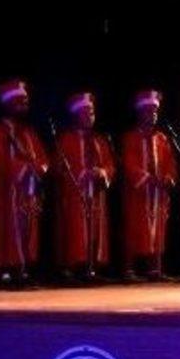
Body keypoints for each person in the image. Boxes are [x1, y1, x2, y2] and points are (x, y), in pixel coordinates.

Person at [0, 79, 49, 287]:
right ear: (7, 103)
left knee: (27, 230)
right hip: (6, 191)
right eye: (19, 101)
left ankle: (23, 268)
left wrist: (39, 168)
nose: (24, 105)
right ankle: (4, 271)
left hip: (28, 192)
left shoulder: (29, 132)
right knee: (5, 231)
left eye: (25, 101)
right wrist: (24, 168)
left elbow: (43, 159)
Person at [54, 92, 115, 283]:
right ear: (76, 115)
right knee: (75, 230)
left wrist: (102, 172)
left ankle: (92, 267)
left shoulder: (100, 140)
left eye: (92, 112)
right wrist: (81, 174)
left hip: (96, 192)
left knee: (96, 228)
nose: (90, 116)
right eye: (85, 112)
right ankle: (74, 267)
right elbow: (58, 167)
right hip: (75, 193)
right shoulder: (66, 139)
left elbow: (110, 165)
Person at [121, 89, 177, 282]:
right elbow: (128, 163)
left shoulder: (162, 138)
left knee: (158, 229)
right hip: (138, 193)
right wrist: (146, 178)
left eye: (155, 111)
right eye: (148, 111)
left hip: (158, 194)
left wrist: (168, 177)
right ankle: (129, 269)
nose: (152, 114)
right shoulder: (130, 137)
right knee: (134, 228)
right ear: (140, 113)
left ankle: (155, 269)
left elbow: (170, 164)